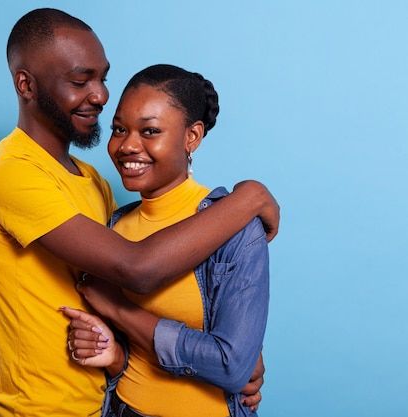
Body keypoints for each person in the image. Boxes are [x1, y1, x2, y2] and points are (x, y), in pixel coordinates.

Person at [0, 8, 278, 417]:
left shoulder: (93, 182)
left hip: (101, 407)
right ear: (25, 84)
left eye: (102, 78)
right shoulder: (12, 176)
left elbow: (133, 306)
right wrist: (250, 197)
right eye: (80, 81)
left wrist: (235, 354)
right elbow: (136, 268)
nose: (98, 95)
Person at [61, 64, 270, 417]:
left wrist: (119, 308)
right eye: (119, 129)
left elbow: (232, 366)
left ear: (192, 136)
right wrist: (112, 354)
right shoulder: (114, 226)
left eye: (150, 130)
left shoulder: (236, 230)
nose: (127, 145)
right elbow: (127, 352)